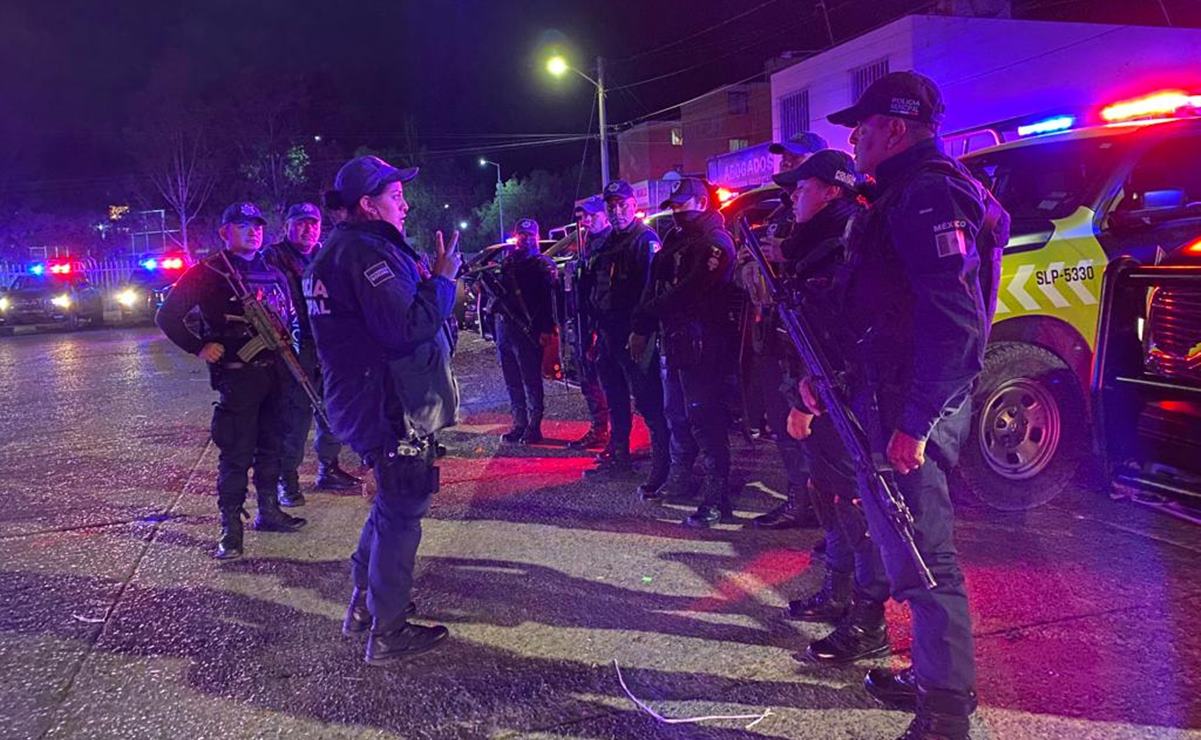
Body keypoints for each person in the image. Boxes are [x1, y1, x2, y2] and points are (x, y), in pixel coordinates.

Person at [804, 71, 1007, 738]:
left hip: (911, 410)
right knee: (904, 551)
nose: (853, 139)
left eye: (860, 127)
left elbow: (957, 326)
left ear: (895, 126)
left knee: (926, 560)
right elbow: (877, 310)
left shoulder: (926, 195)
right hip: (885, 399)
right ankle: (931, 675)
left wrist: (914, 423)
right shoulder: (895, 194)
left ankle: (945, 714)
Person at [305, 155, 461, 664]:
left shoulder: (347, 248)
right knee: (402, 510)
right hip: (387, 407)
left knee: (390, 505)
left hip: (372, 401)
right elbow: (406, 327)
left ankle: (366, 607)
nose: (405, 203)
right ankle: (388, 630)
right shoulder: (363, 255)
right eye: (395, 196)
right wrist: (441, 281)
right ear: (368, 205)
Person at [770, 150, 891, 665]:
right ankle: (838, 590)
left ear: (832, 191)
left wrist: (811, 399)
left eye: (803, 186)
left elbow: (844, 336)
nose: (793, 194)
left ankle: (869, 617)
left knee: (856, 503)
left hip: (838, 396)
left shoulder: (842, 244)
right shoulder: (812, 243)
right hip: (816, 388)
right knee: (829, 495)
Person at [156, 202, 307, 560]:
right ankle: (230, 528)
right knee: (236, 453)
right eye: (241, 225)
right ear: (224, 232)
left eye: (256, 225)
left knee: (272, 445)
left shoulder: (272, 270)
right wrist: (199, 346)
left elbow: (290, 316)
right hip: (239, 377)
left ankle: (268, 511)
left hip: (277, 372)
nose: (252, 231)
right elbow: (167, 316)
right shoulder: (208, 273)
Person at [630, 178, 736, 527]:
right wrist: (643, 324)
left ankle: (717, 497)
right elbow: (655, 282)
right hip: (675, 341)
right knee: (676, 414)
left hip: (706, 343)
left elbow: (690, 290)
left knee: (705, 421)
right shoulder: (676, 239)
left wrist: (648, 313)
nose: (676, 210)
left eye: (682, 204)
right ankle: (682, 479)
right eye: (673, 205)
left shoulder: (715, 242)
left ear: (702, 203)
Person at [263, 202, 360, 508]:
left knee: (331, 408)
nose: (308, 229)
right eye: (301, 223)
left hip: (327, 342)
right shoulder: (273, 257)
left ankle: (328, 468)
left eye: (313, 223)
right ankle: (286, 480)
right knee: (296, 415)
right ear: (287, 226)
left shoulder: (324, 254)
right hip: (294, 343)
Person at [582, 180, 671, 498]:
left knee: (649, 402)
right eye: (611, 206)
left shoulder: (643, 240)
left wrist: (641, 332)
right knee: (616, 397)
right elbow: (599, 290)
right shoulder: (609, 242)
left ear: (634, 206)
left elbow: (650, 293)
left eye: (622, 205)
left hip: (634, 335)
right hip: (608, 333)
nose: (616, 211)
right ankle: (619, 454)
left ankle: (664, 466)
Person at [491, 218, 557, 444]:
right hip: (506, 329)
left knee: (531, 380)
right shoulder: (508, 262)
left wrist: (546, 329)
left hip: (528, 329)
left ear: (537, 237)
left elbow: (549, 301)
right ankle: (519, 423)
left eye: (530, 235)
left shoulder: (541, 265)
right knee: (512, 380)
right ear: (515, 235)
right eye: (522, 235)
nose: (526, 239)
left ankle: (534, 426)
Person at [566, 197, 611, 451]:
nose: (586, 221)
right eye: (584, 217)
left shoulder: (611, 243)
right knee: (588, 378)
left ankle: (613, 436)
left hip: (601, 323)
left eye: (592, 216)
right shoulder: (588, 244)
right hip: (584, 320)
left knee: (606, 380)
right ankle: (599, 429)